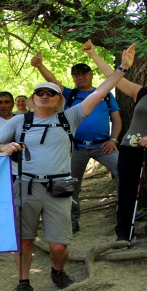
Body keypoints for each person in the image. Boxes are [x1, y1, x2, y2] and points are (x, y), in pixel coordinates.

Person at [0, 43, 136, 291]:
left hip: (58, 188)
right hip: (25, 186)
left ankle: (57, 272)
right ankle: (23, 283)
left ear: (59, 100)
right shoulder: (19, 121)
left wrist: (123, 67)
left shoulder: (71, 117)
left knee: (58, 245)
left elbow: (102, 89)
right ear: (33, 99)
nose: (45, 95)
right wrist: (3, 146)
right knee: (24, 240)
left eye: (51, 93)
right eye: (40, 92)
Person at [84, 40, 147, 249]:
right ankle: (124, 233)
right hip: (131, 147)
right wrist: (93, 54)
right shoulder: (140, 92)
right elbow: (111, 77)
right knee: (127, 189)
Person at [31, 50, 123, 233]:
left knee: (123, 170)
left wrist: (114, 139)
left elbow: (117, 119)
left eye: (84, 73)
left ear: (91, 75)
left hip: (103, 145)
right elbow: (53, 82)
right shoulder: (69, 95)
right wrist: (40, 65)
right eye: (76, 74)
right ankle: (72, 219)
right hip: (76, 147)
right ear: (73, 77)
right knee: (72, 183)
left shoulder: (104, 95)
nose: (80, 77)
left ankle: (124, 212)